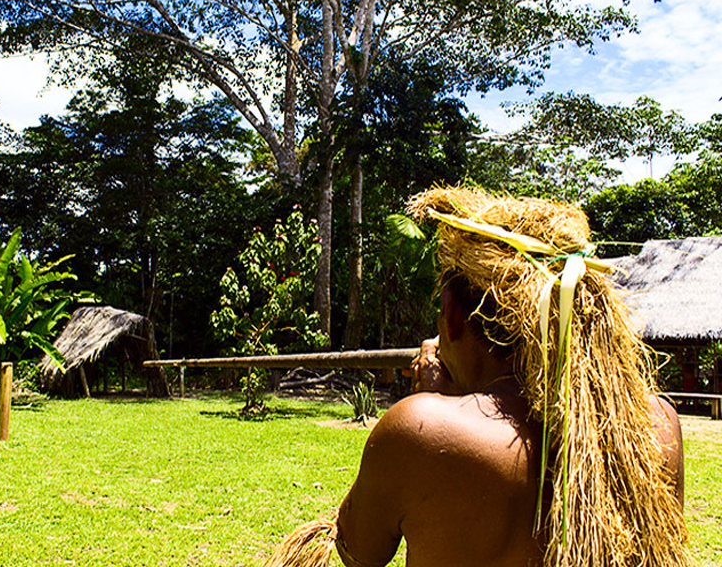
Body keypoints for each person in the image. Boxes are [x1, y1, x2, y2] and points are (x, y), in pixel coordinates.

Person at [264, 186, 691, 567]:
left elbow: (356, 550)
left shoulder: (418, 430)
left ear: (451, 314)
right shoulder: (658, 424)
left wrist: (433, 408)